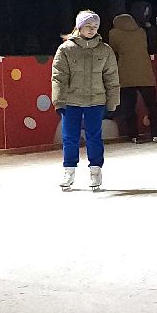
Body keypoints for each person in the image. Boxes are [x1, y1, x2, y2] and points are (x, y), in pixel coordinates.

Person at [51, 11, 121, 191]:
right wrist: (59, 100)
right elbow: (58, 77)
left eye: (95, 27)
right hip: (71, 101)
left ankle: (95, 170)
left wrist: (112, 101)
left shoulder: (105, 50)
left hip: (96, 101)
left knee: (94, 136)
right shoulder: (66, 49)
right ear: (79, 26)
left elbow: (111, 77)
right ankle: (69, 170)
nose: (92, 29)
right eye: (88, 26)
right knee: (70, 137)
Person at [108, 12, 157, 143]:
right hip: (145, 73)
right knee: (152, 105)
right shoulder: (141, 31)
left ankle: (134, 135)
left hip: (126, 74)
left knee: (129, 106)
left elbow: (113, 50)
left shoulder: (114, 33)